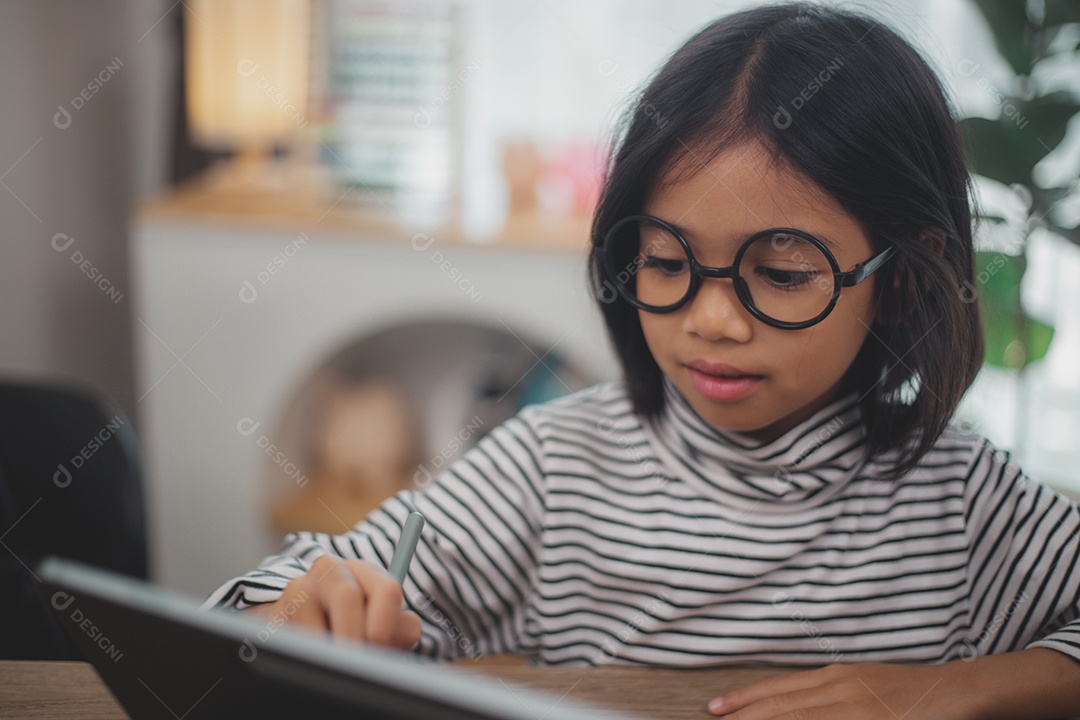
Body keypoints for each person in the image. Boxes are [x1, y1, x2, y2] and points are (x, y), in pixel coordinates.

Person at [205, 4, 1080, 717]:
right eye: (665, 262)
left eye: (778, 273)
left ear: (899, 283)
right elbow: (267, 596)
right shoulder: (553, 470)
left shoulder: (963, 505)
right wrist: (293, 609)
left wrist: (951, 687)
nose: (710, 319)